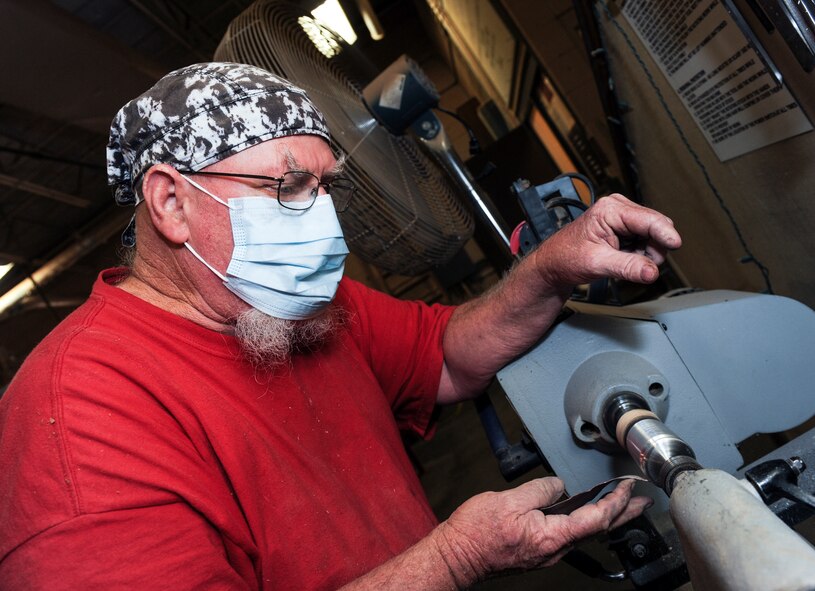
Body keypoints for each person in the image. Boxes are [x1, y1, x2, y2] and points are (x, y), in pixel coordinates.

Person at [0, 62, 680, 590]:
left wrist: (547, 269)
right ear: (172, 201)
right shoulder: (80, 416)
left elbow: (444, 356)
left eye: (326, 187)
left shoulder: (295, 306)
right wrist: (453, 557)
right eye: (289, 187)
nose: (323, 220)